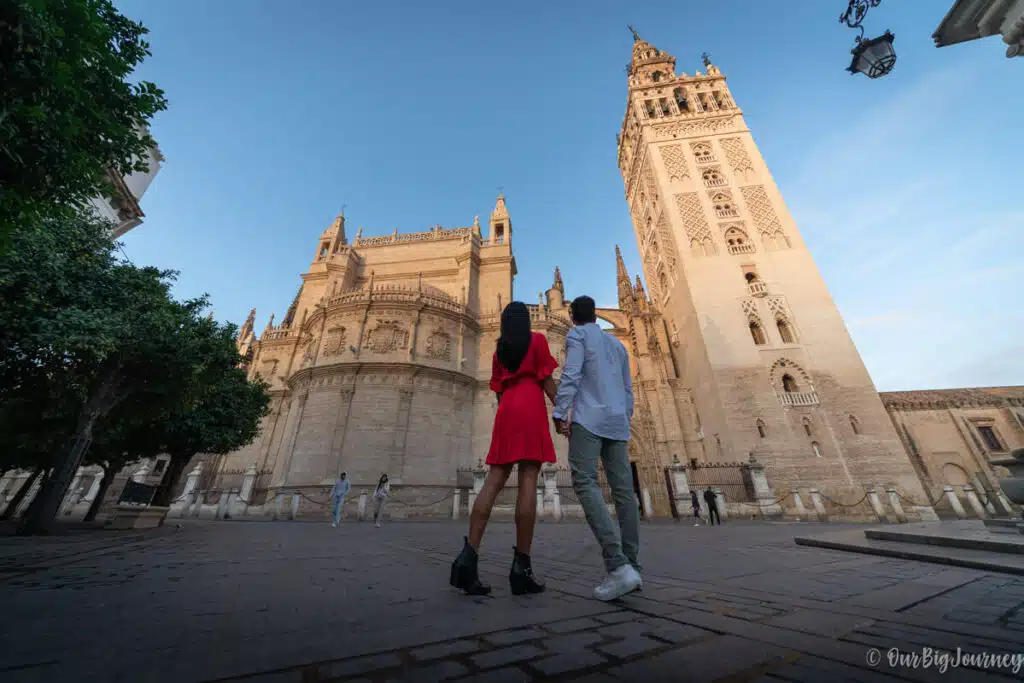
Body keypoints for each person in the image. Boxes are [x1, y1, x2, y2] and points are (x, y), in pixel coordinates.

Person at [450, 301, 558, 597]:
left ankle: (468, 558)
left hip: (507, 409)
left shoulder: (500, 350)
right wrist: (564, 412)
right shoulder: (537, 341)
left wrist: (505, 416)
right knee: (528, 480)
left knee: (493, 480)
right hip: (531, 406)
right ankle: (521, 568)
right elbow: (547, 381)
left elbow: (497, 390)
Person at [552, 295, 642, 602]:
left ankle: (618, 566)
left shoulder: (576, 335)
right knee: (624, 492)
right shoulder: (616, 346)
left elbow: (572, 375)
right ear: (596, 316)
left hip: (588, 419)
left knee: (584, 481)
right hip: (617, 420)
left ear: (574, 317)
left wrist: (559, 411)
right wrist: (624, 414)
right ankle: (632, 565)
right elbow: (628, 387)